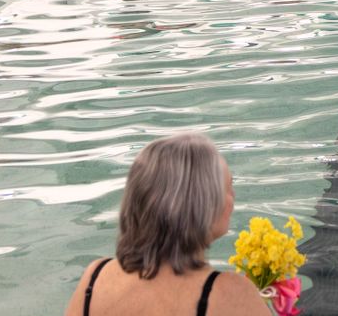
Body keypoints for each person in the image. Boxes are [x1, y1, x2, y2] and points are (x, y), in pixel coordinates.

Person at [63, 134, 268, 316]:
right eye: (227, 187)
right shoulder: (227, 293)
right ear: (202, 205)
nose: (232, 198)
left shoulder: (96, 277)